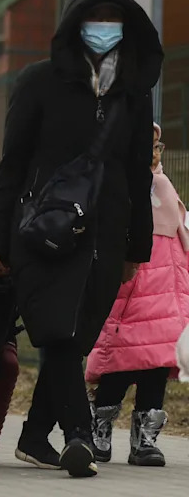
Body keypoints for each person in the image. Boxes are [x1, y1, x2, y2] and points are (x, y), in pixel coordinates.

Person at [0, 0, 159, 478]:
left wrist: (137, 247)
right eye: (94, 14)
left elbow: (137, 174)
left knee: (77, 337)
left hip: (107, 235)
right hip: (42, 234)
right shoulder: (37, 81)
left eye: (114, 16)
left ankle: (35, 436)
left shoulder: (134, 92)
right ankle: (79, 435)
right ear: (73, 22)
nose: (104, 26)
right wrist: (0, 241)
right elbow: (11, 167)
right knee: (57, 332)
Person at [86, 123, 189, 467]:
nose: (154, 154)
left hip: (164, 295)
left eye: (158, 147)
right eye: (148, 147)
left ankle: (144, 438)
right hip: (131, 292)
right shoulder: (122, 186)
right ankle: (99, 427)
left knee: (157, 365)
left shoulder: (163, 184)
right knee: (120, 360)